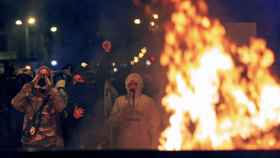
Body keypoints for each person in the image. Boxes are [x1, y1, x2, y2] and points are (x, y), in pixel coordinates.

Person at [11, 66, 65, 150]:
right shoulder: (29, 93)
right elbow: (15, 104)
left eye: (46, 75)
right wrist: (30, 85)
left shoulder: (53, 94)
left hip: (49, 140)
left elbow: (60, 108)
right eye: (40, 75)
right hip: (31, 140)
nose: (43, 78)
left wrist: (51, 88)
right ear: (36, 76)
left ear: (50, 78)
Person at [107, 73, 161, 149]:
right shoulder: (120, 101)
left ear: (141, 85)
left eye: (135, 84)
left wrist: (154, 144)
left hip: (144, 144)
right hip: (124, 144)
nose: (133, 87)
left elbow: (155, 125)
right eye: (130, 84)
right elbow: (112, 123)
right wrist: (122, 113)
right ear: (126, 86)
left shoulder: (148, 102)